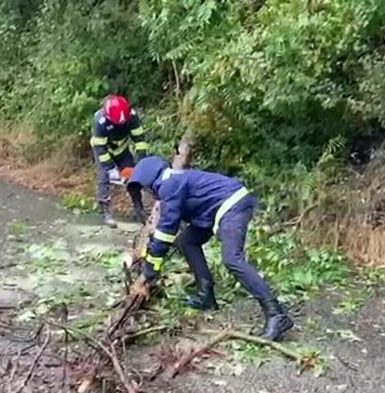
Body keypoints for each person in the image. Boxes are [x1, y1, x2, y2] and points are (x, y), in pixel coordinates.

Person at [126, 156, 295, 342]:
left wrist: (147, 275)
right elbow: (165, 230)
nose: (147, 193)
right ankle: (206, 296)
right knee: (187, 241)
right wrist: (151, 252)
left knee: (232, 259)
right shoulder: (173, 181)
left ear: (149, 180)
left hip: (232, 204)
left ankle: (276, 314)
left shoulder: (169, 184)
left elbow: (166, 232)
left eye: (144, 188)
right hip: (213, 209)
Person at [90, 95, 149, 227]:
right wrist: (110, 168)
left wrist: (142, 159)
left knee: (132, 178)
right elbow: (100, 148)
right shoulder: (100, 121)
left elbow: (139, 139)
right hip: (104, 151)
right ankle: (106, 213)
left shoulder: (131, 116)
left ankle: (138, 209)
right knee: (104, 178)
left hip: (122, 150)